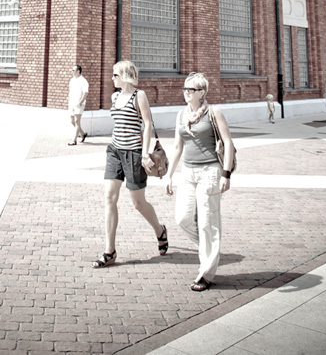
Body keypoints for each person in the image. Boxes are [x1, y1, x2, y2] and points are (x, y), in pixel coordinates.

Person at [92, 60, 168, 268]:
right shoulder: (114, 96)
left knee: (138, 202)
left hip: (134, 153)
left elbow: (147, 124)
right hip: (114, 151)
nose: (112, 78)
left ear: (125, 76)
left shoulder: (139, 95)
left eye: (115, 75)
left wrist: (144, 154)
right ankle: (110, 251)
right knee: (109, 197)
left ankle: (160, 230)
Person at [165, 72, 235, 292]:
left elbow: (228, 143)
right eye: (185, 89)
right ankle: (210, 250)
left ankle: (206, 273)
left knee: (207, 223)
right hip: (188, 172)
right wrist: (169, 175)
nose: (186, 92)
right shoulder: (181, 114)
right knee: (183, 219)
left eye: (191, 89)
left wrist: (226, 174)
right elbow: (178, 147)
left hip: (210, 172)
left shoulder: (214, 113)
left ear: (201, 92)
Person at [68, 64, 89, 145]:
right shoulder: (72, 80)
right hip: (72, 103)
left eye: (73, 70)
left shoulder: (83, 81)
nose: (72, 72)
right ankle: (83, 134)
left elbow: (85, 92)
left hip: (79, 104)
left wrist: (80, 102)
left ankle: (74, 140)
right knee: (72, 121)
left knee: (77, 121)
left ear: (78, 71)